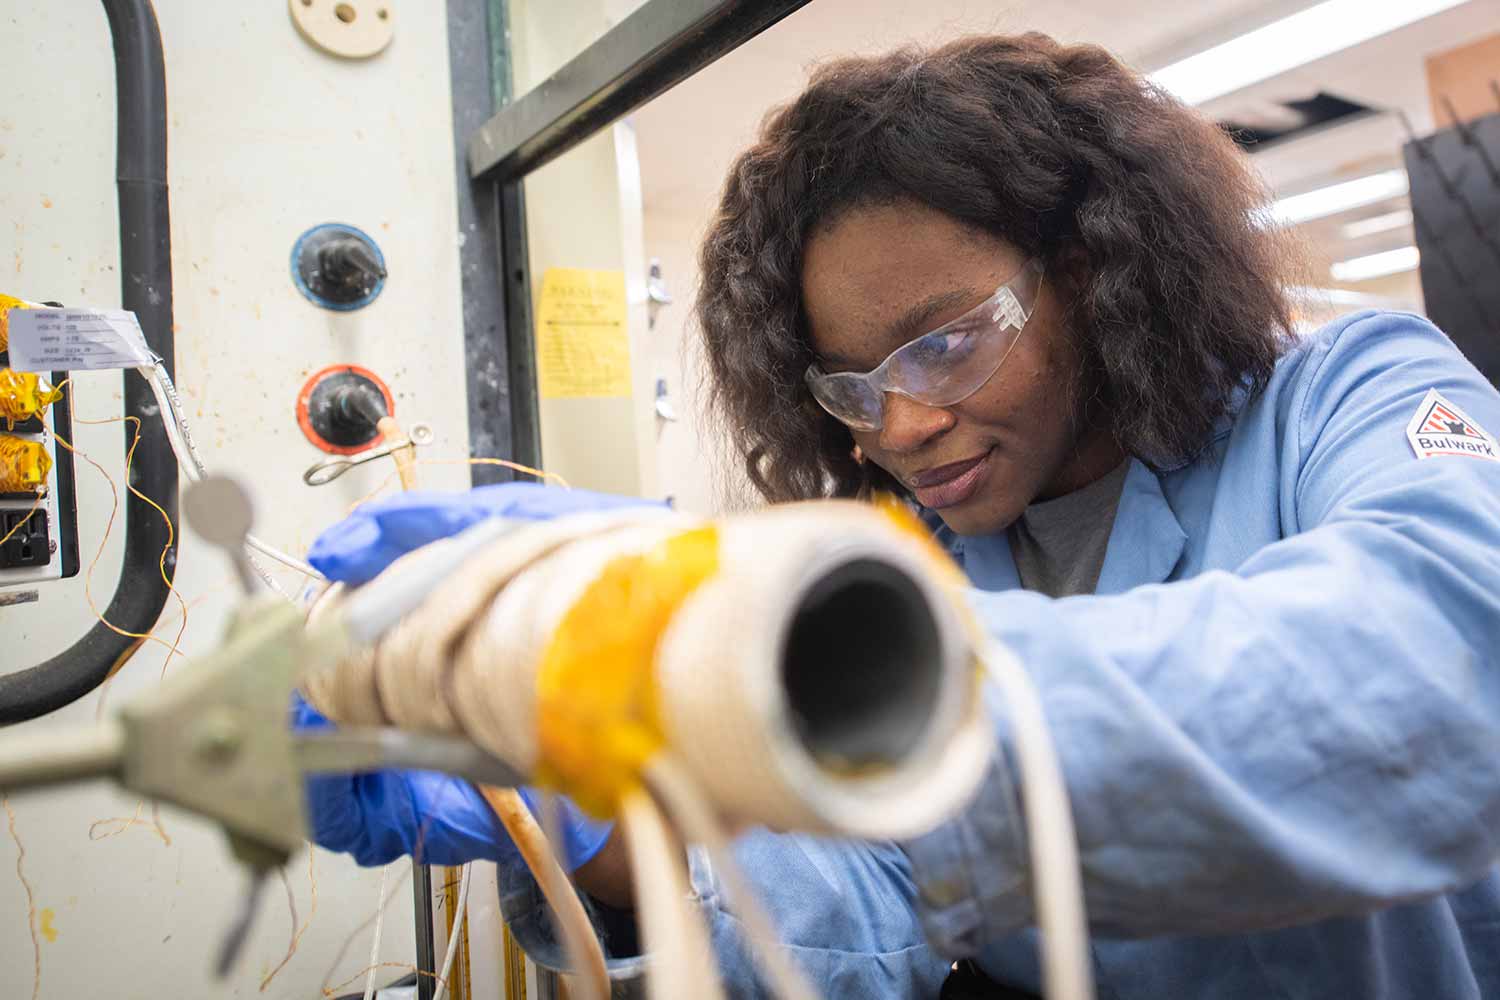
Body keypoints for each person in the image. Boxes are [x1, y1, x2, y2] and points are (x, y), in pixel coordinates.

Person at [300, 33, 1500, 999]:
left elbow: (1446, 672)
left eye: (947, 344)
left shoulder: (1344, 393)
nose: (902, 427)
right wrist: (590, 831)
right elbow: (864, 903)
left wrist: (777, 651)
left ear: (1091, 272)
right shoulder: (918, 557)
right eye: (854, 388)